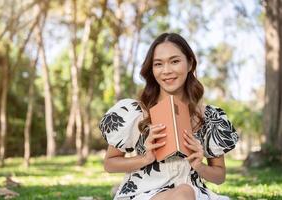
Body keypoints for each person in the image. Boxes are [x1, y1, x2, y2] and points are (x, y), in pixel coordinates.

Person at [99, 32, 239, 200]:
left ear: (190, 64)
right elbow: (109, 164)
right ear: (152, 69)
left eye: (174, 61)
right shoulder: (134, 112)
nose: (166, 71)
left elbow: (219, 176)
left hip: (194, 194)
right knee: (183, 194)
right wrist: (145, 158)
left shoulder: (210, 117)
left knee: (185, 192)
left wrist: (199, 165)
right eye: (158, 64)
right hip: (143, 193)